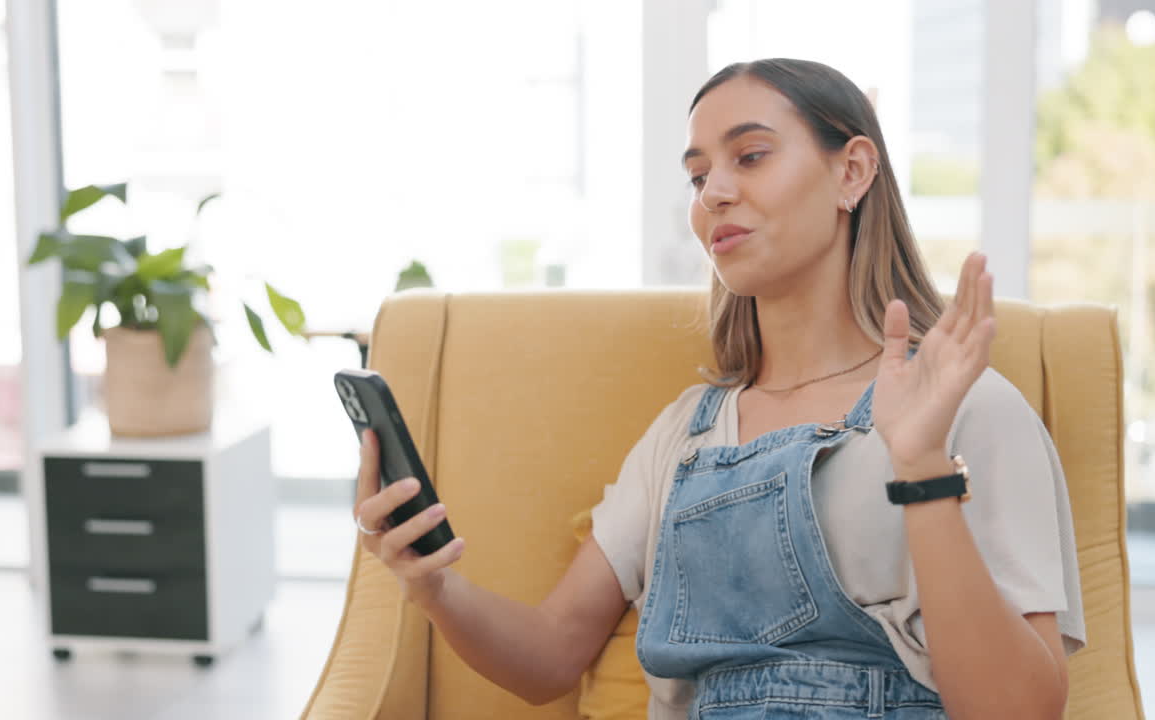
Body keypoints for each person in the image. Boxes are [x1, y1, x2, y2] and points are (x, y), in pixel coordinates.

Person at [351, 58, 1086, 719]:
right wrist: (432, 588)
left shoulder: (967, 409)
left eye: (751, 156)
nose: (715, 194)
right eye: (699, 176)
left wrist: (921, 466)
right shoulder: (686, 434)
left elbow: (1019, 712)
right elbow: (547, 656)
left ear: (852, 172)